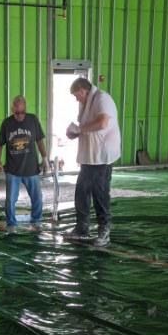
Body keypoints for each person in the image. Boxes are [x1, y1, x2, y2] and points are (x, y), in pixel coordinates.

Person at [65, 76, 121, 246]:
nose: (76, 99)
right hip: (89, 157)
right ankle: (82, 228)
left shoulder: (103, 99)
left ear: (84, 90)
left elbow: (103, 122)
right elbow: (87, 128)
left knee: (100, 194)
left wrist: (80, 129)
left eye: (77, 95)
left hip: (102, 157)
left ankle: (104, 230)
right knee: (81, 192)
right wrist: (74, 132)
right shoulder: (85, 103)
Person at [0, 96, 48, 234]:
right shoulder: (7, 123)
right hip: (13, 169)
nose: (19, 116)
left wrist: (45, 158)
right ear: (12, 109)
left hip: (31, 168)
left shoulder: (33, 120)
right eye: (16, 113)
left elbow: (40, 140)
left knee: (37, 197)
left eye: (22, 112)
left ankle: (36, 222)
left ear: (25, 109)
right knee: (10, 200)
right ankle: (11, 224)